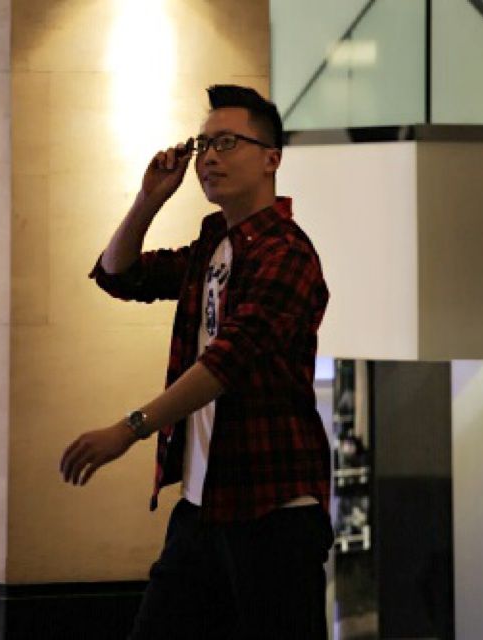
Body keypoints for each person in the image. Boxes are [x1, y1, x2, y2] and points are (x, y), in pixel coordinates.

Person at [60, 85, 333, 639]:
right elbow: (118, 273)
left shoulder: (287, 254)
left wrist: (129, 429)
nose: (208, 157)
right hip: (202, 507)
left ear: (271, 159)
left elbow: (226, 362)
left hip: (273, 511)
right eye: (203, 144)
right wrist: (149, 199)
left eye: (227, 143)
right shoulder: (214, 246)